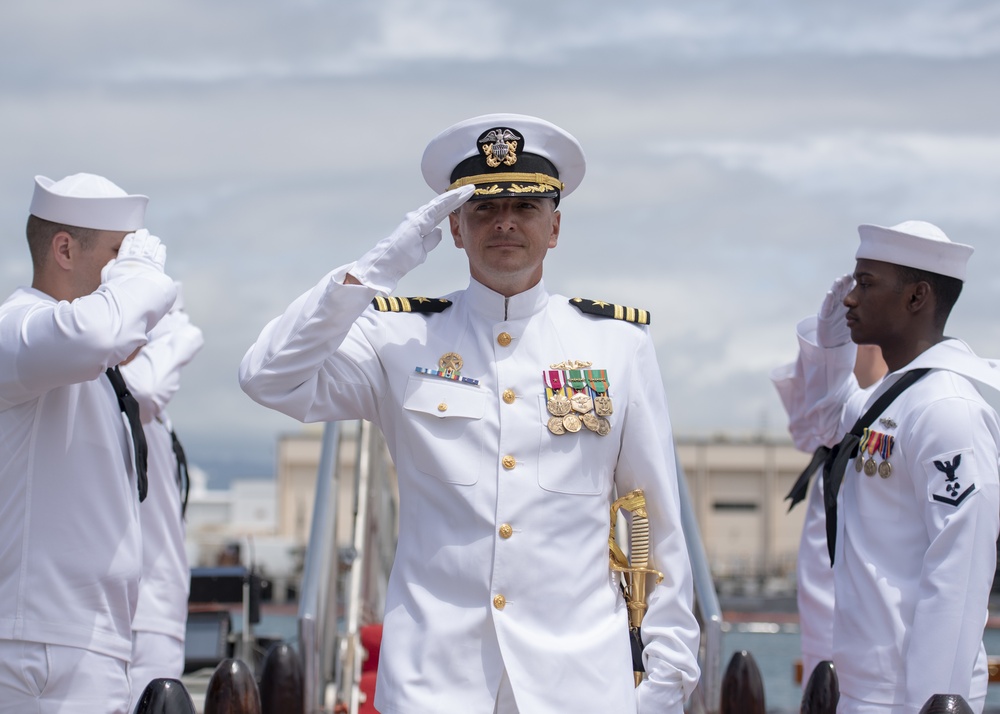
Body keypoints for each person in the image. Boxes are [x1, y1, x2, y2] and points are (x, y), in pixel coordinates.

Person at [240, 113, 700, 713]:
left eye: (525, 206)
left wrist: (662, 687)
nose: (504, 221)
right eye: (483, 208)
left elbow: (657, 526)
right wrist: (375, 270)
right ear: (454, 228)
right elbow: (267, 376)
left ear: (555, 227)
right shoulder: (397, 338)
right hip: (436, 685)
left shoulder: (615, 345)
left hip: (580, 686)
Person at [772, 220, 1000, 712]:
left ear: (917, 297)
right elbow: (824, 422)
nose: (851, 299)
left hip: (909, 697)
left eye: (867, 283)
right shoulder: (893, 398)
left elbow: (957, 578)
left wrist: (937, 701)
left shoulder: (946, 409)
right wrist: (830, 346)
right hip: (864, 688)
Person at [0, 173, 177, 713]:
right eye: (117, 254)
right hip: (39, 650)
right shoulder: (18, 329)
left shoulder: (87, 368)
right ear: (63, 249)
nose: (126, 271)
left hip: (84, 646)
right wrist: (143, 274)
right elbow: (100, 333)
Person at [773, 344, 886, 683]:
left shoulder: (894, 406)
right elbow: (803, 423)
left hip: (874, 624)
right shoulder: (840, 418)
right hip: (828, 604)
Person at [122, 282, 204, 709]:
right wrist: (182, 331)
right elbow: (147, 389)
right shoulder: (121, 391)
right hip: (139, 612)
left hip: (155, 609)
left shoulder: (150, 411)